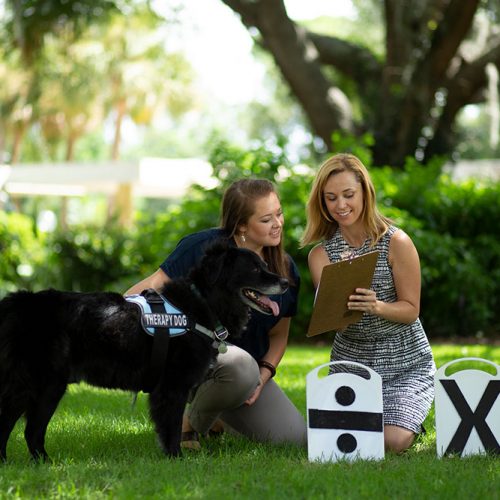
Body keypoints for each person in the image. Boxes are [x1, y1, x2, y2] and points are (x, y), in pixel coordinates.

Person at [126, 178, 307, 449]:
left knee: (293, 440)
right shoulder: (202, 249)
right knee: (239, 366)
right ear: (242, 225)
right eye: (267, 219)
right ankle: (188, 425)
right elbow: (141, 293)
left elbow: (280, 334)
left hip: (246, 376)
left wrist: (263, 375)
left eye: (279, 214)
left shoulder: (284, 267)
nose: (278, 223)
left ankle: (219, 416)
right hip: (193, 364)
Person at [301, 153, 435, 453]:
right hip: (352, 359)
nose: (340, 205)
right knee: (329, 441)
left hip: (404, 361)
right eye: (331, 198)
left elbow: (411, 310)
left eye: (349, 195)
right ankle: (389, 416)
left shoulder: (396, 242)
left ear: (365, 192)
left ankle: (407, 419)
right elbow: (332, 319)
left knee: (391, 441)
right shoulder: (320, 256)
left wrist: (378, 307)